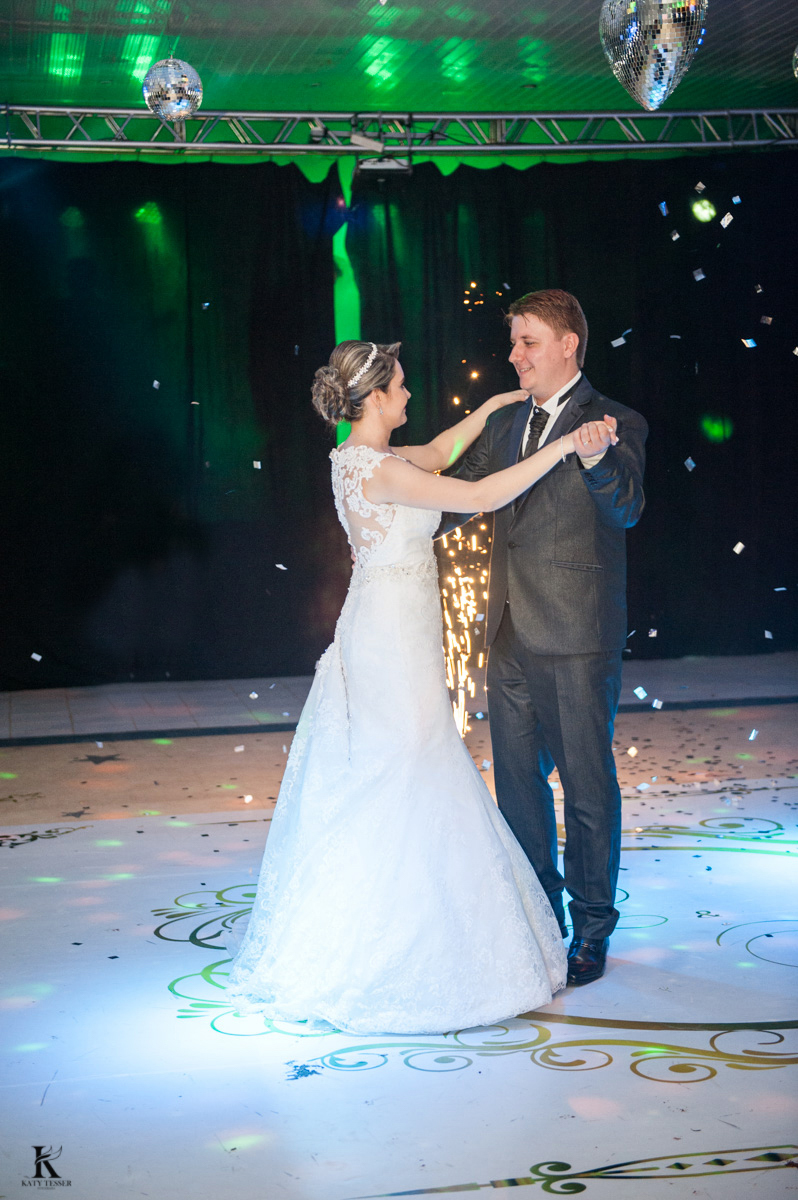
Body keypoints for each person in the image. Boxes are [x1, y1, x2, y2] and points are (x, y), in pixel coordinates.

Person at [224, 338, 618, 1035]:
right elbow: (476, 492)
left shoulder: (359, 458)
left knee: (404, 767)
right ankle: (405, 944)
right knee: (413, 767)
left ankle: (405, 920)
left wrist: (497, 403)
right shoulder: (381, 472)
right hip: (390, 640)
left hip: (386, 627)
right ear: (374, 397)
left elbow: (438, 449)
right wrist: (560, 447)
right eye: (400, 387)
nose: (408, 395)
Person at [449, 289, 648, 986]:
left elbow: (626, 506)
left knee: (586, 789)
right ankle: (539, 915)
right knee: (517, 787)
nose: (514, 355)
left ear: (568, 343)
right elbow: (460, 492)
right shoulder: (507, 423)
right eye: (513, 342)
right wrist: (388, 509)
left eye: (528, 341)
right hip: (506, 632)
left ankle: (592, 930)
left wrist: (596, 462)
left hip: (576, 635)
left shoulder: (616, 420)